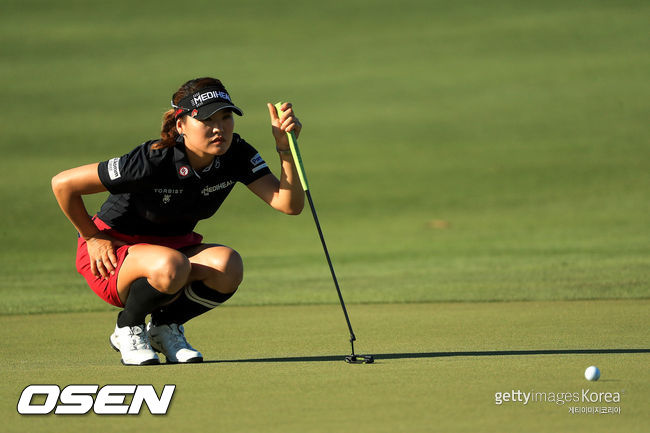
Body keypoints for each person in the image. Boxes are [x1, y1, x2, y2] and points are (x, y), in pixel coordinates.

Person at [51, 77, 304, 365]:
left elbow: (289, 204)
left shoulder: (236, 154)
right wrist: (92, 237)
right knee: (173, 264)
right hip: (111, 254)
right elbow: (63, 184)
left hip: (173, 253)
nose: (219, 128)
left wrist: (286, 149)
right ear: (181, 124)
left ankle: (164, 327)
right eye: (207, 119)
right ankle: (128, 327)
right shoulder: (153, 158)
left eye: (225, 117)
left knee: (228, 265)